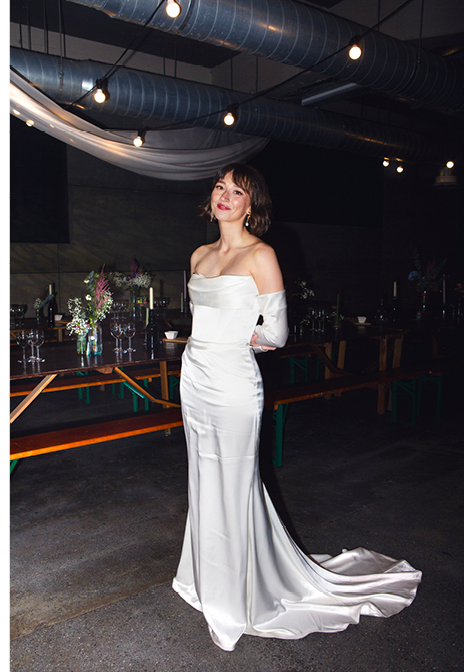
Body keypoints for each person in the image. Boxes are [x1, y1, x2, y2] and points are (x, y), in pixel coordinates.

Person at [172, 163, 421, 651]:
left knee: (237, 482)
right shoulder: (200, 254)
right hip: (194, 380)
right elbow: (200, 316)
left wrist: (236, 337)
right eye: (221, 187)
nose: (225, 196)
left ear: (251, 205)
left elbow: (276, 333)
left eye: (237, 191)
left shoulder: (261, 255)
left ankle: (239, 594)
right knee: (202, 477)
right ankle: (206, 575)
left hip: (233, 381)